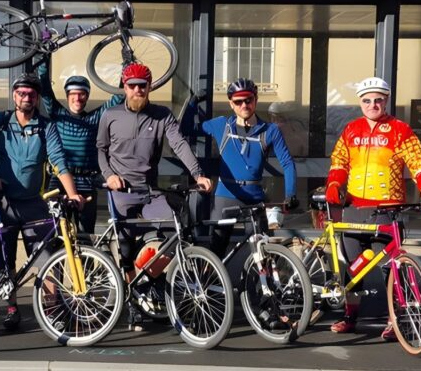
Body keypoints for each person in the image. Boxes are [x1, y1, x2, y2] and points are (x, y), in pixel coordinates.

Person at [324, 77, 421, 339]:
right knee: (354, 267)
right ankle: (350, 316)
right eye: (367, 100)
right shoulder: (351, 129)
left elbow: (418, 163)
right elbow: (339, 162)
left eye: (378, 100)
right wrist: (333, 184)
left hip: (387, 210)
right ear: (360, 102)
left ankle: (395, 318)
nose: (372, 105)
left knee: (390, 266)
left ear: (386, 100)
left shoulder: (400, 130)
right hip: (354, 209)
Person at [97, 63, 213, 329]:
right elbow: (101, 149)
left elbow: (179, 144)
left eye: (142, 86)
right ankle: (132, 302)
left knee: (176, 230)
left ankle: (146, 279)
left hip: (149, 191)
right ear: (124, 88)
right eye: (132, 86)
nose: (137, 90)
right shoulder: (110, 115)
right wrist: (109, 175)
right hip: (121, 192)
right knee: (126, 248)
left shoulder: (162, 115)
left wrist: (198, 174)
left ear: (150, 87)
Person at [0, 72, 85, 330]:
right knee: (4, 259)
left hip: (34, 204)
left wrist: (72, 193)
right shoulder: (0, 121)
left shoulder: (46, 126)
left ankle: (52, 307)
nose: (26, 97)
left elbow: (58, 160)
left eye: (32, 94)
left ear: (37, 98)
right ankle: (11, 307)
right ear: (14, 96)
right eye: (21, 93)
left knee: (47, 258)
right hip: (3, 203)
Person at [182, 78, 298, 258]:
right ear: (231, 103)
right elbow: (185, 129)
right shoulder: (222, 125)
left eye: (248, 100)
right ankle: (210, 275)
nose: (244, 105)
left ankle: (259, 277)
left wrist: (291, 193)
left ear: (255, 100)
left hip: (254, 198)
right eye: (238, 101)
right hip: (226, 195)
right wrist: (193, 102)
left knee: (262, 249)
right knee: (216, 249)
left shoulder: (270, 130)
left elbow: (287, 163)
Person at [37, 62, 124, 237]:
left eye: (82, 94)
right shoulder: (58, 114)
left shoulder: (96, 118)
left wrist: (126, 67)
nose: (77, 98)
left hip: (87, 184)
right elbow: (45, 88)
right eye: (73, 94)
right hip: (59, 183)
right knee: (56, 235)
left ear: (87, 96)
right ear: (67, 95)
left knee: (85, 237)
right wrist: (44, 58)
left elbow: (119, 97)